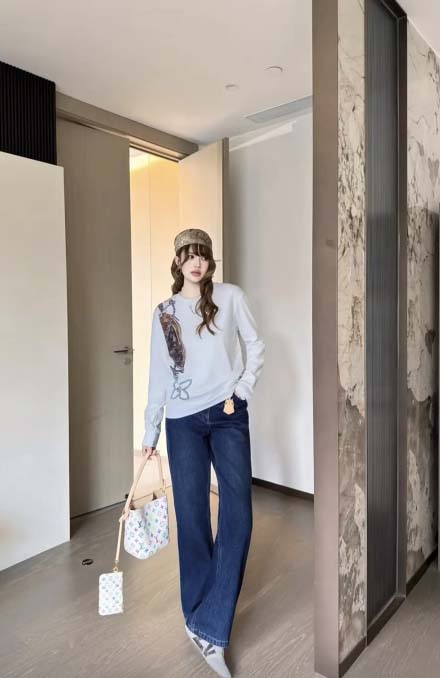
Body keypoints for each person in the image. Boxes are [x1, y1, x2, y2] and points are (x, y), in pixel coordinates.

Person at [142, 227, 265, 677]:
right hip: (182, 422)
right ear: (177, 262)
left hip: (228, 413)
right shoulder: (164, 312)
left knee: (239, 515)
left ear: (210, 261)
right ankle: (199, 620)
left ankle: (209, 622)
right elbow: (159, 374)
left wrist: (243, 390)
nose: (196, 263)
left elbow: (256, 345)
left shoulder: (230, 297)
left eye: (203, 256)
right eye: (188, 256)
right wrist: (150, 431)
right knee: (192, 517)